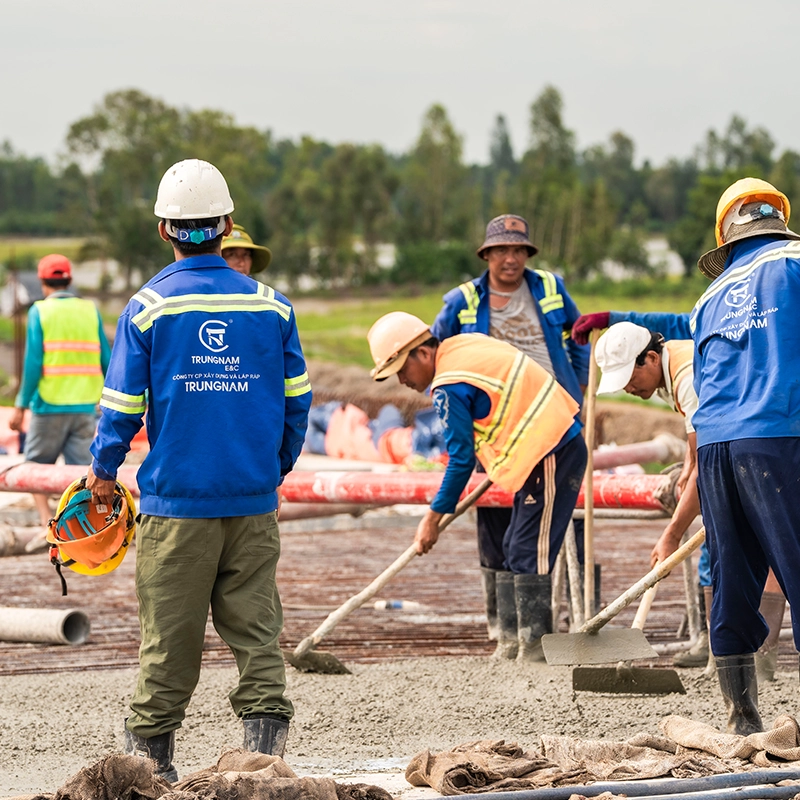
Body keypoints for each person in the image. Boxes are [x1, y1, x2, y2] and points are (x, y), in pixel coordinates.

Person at [85, 159, 312, 780]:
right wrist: (273, 470)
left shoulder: (148, 308)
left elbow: (123, 406)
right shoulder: (273, 308)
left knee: (168, 642)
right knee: (258, 633)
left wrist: (103, 473)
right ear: (228, 224)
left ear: (165, 229)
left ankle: (149, 771)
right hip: (251, 501)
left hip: (176, 507)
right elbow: (298, 401)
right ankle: (265, 769)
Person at [368, 311, 585, 662]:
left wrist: (432, 518)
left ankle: (535, 649)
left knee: (530, 548)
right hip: (537, 450)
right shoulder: (461, 346)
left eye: (403, 371)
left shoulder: (448, 384)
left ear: (422, 353)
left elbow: (460, 459)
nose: (403, 381)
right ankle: (512, 644)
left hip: (553, 448)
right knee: (515, 546)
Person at [431, 214, 591, 648]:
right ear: (487, 255)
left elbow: (580, 338)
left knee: (549, 516)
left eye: (518, 250)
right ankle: (507, 633)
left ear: (527, 254)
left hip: (551, 416)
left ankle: (547, 628)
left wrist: (579, 389)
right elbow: (436, 355)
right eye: (501, 250)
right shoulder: (464, 300)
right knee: (499, 516)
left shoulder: (550, 289)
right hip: (498, 424)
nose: (510, 258)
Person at [594, 322, 712, 668]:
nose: (628, 389)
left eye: (630, 378)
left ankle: (738, 652)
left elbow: (709, 464)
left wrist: (672, 534)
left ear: (649, 359)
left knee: (730, 542)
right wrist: (688, 465)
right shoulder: (668, 368)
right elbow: (698, 439)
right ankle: (717, 643)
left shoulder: (688, 374)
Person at [9, 254, 110, 530]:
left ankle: (46, 523)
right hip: (85, 406)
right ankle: (78, 527)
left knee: (35, 467)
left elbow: (33, 364)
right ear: (69, 280)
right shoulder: (90, 309)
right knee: (79, 472)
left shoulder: (39, 311)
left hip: (49, 405)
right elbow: (107, 359)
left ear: (43, 282)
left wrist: (20, 406)